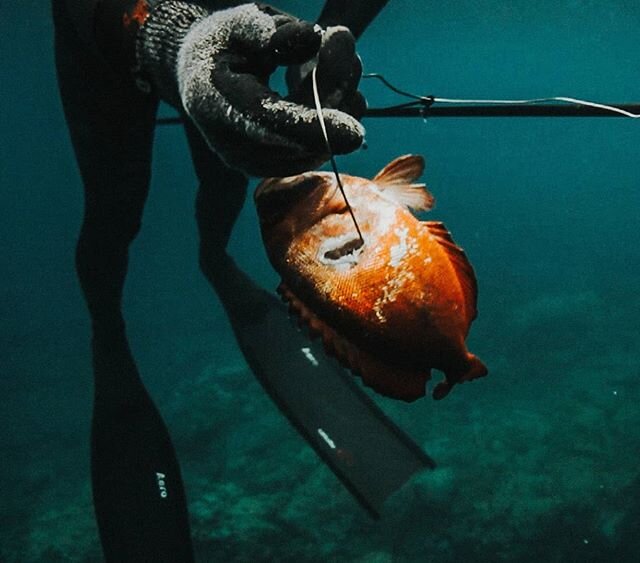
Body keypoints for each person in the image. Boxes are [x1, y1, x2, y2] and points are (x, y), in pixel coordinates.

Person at [53, 1, 432, 560]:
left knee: (227, 171)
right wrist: (174, 40)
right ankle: (106, 328)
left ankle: (213, 256)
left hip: (230, 28)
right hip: (106, 45)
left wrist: (317, 49)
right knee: (115, 208)